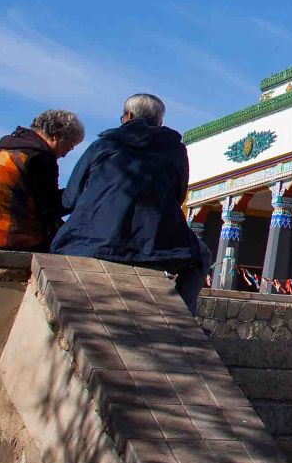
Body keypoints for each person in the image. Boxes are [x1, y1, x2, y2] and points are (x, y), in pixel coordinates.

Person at [50, 93, 207, 308]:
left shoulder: (103, 145)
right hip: (154, 246)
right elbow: (179, 196)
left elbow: (70, 199)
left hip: (89, 241)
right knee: (201, 257)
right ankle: (182, 317)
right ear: (159, 122)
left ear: (128, 116)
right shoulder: (175, 150)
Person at [0, 109, 86, 252]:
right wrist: (80, 191)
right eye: (69, 146)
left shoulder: (5, 152)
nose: (65, 155)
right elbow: (49, 209)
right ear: (56, 136)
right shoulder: (39, 157)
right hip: (4, 240)